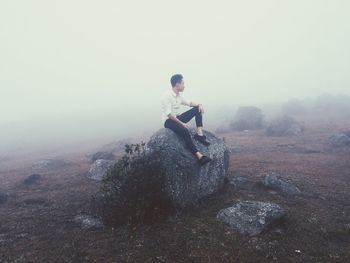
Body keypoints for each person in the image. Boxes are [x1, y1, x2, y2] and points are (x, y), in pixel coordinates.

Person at [161, 73, 212, 165]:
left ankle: (200, 135)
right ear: (177, 84)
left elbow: (189, 102)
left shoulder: (178, 96)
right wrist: (181, 123)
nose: (184, 86)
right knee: (184, 131)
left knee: (197, 109)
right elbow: (169, 115)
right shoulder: (166, 96)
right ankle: (199, 156)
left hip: (177, 118)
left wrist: (199, 104)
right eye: (183, 83)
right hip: (169, 121)